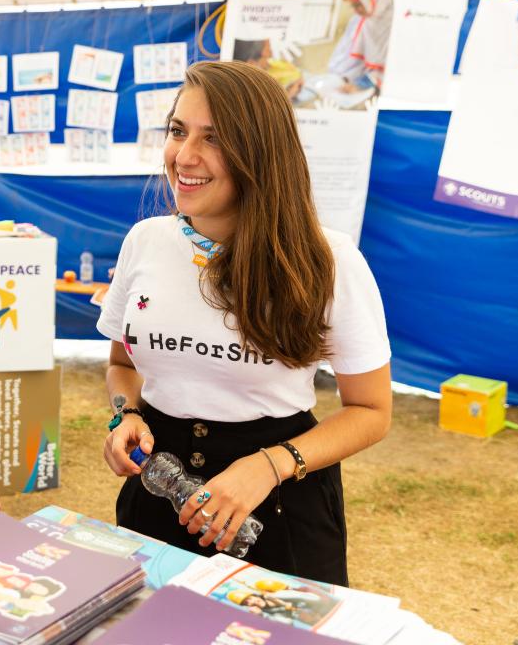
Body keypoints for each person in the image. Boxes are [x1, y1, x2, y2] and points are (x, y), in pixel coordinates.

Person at [99, 60, 392, 586]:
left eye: (213, 139)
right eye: (177, 131)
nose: (184, 157)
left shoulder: (330, 261)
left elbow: (371, 411)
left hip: (279, 505)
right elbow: (123, 363)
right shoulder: (145, 241)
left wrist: (270, 465)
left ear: (260, 152)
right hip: (158, 498)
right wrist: (127, 415)